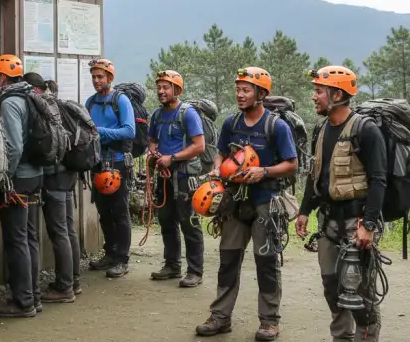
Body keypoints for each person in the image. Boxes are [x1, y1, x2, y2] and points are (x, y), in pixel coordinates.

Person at [196, 67, 297, 341]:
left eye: (246, 90)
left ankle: (269, 321)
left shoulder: (276, 127)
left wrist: (264, 171)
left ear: (261, 94)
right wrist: (217, 169)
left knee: (266, 263)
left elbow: (292, 164)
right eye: (238, 89)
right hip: (234, 204)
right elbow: (220, 153)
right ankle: (220, 317)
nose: (240, 94)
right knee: (228, 260)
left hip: (266, 202)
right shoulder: (231, 123)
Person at [296, 65, 386, 342]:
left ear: (337, 94)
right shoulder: (321, 129)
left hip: (355, 223)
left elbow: (379, 180)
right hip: (327, 224)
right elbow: (316, 174)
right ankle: (341, 338)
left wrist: (368, 226)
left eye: (319, 91)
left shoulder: (366, 130)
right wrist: (304, 211)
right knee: (332, 287)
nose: (314, 96)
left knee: (360, 292)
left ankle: (367, 337)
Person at [0, 55, 43, 317]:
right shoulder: (30, 96)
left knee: (16, 239)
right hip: (35, 176)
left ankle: (23, 302)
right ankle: (33, 296)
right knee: (30, 237)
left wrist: (4, 178)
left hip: (18, 179)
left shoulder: (10, 102)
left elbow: (13, 147)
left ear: (1, 78)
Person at [24, 72, 82, 303]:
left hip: (54, 176)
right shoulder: (58, 103)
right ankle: (74, 281)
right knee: (68, 229)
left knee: (59, 231)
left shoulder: (41, 107)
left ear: (32, 89)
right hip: (69, 173)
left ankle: (64, 287)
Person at [147, 70, 205, 288]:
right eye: (159, 87)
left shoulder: (187, 114)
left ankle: (195, 271)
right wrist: (153, 154)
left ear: (177, 90)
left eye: (166, 87)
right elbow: (152, 140)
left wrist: (172, 158)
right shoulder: (156, 115)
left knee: (188, 221)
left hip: (184, 175)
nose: (161, 91)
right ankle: (172, 265)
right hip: (164, 174)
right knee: (166, 219)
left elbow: (199, 146)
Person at [84, 58, 135, 278]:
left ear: (110, 78)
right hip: (97, 162)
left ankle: (122, 259)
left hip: (117, 162)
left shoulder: (120, 101)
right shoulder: (90, 102)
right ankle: (110, 253)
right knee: (104, 211)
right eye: (94, 77)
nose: (96, 81)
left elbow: (129, 131)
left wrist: (101, 132)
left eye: (100, 77)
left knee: (120, 211)